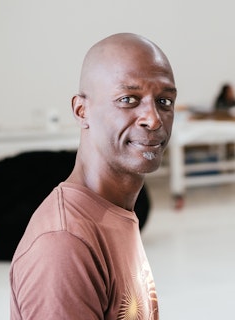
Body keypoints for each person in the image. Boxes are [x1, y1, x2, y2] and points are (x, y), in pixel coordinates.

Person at [10, 32, 177, 319]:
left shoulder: (115, 211)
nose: (153, 118)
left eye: (164, 101)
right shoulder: (64, 244)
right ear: (81, 110)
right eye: (128, 99)